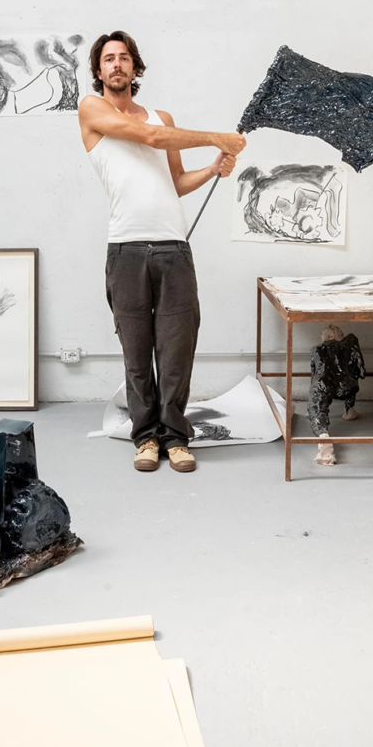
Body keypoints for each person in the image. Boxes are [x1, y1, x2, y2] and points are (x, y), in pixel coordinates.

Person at [79, 31, 246, 473]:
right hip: (126, 251)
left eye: (124, 58)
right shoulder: (91, 109)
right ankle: (146, 438)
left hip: (173, 248)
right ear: (99, 71)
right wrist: (218, 138)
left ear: (135, 68)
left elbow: (174, 182)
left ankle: (175, 438)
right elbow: (149, 138)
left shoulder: (162, 115)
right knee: (137, 355)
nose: (117, 65)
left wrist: (213, 167)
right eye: (108, 59)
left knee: (175, 352)